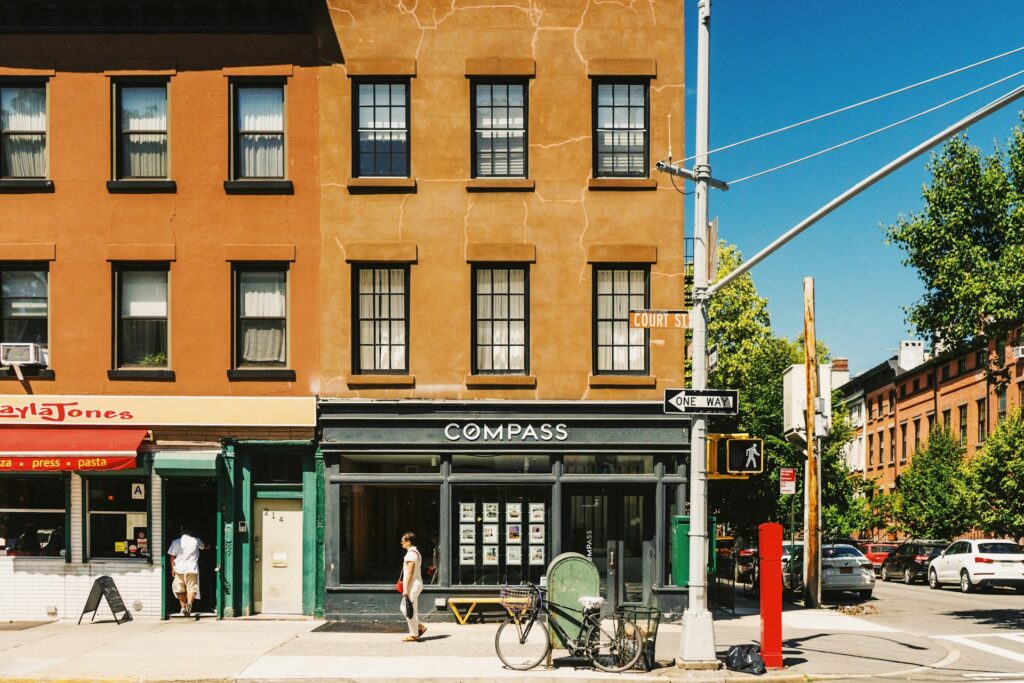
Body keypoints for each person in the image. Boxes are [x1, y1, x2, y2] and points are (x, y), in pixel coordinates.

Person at [168, 526, 208, 617]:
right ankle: (189, 604)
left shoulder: (175, 542)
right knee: (192, 587)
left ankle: (183, 608)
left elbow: (172, 557)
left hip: (179, 568)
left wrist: (172, 569)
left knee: (179, 588)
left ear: (181, 532)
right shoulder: (196, 540)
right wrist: (211, 546)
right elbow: (204, 547)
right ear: (190, 532)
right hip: (192, 568)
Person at [399, 531, 426, 642]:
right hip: (416, 584)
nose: (401, 543)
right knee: (406, 608)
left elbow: (409, 572)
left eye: (402, 541)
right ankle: (419, 626)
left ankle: (414, 634)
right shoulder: (416, 552)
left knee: (408, 608)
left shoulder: (410, 554)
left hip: (412, 585)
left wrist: (405, 589)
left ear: (408, 542)